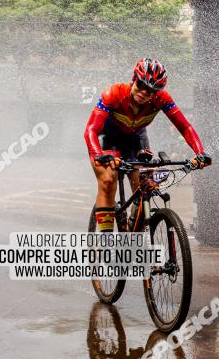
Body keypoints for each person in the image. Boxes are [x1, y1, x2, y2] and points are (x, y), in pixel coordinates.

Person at [84, 58, 211, 232]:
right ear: (133, 78)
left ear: (157, 92)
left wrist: (200, 152)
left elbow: (185, 127)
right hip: (109, 141)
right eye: (141, 84)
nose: (144, 92)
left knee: (146, 184)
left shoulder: (161, 99)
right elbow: (90, 130)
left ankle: (134, 230)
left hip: (136, 138)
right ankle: (106, 241)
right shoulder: (113, 93)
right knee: (108, 179)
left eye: (151, 90)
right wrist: (97, 153)